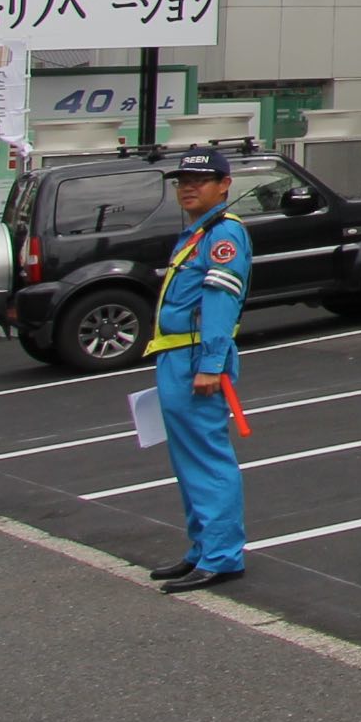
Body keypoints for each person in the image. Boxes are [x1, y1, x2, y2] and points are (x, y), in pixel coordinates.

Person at [144, 149, 254, 594]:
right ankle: (203, 548)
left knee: (207, 459)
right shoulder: (198, 232)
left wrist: (210, 364)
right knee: (188, 460)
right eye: (182, 181)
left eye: (200, 180)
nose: (188, 188)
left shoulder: (224, 234)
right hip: (176, 356)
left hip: (196, 360)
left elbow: (220, 301)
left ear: (224, 185)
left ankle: (222, 556)